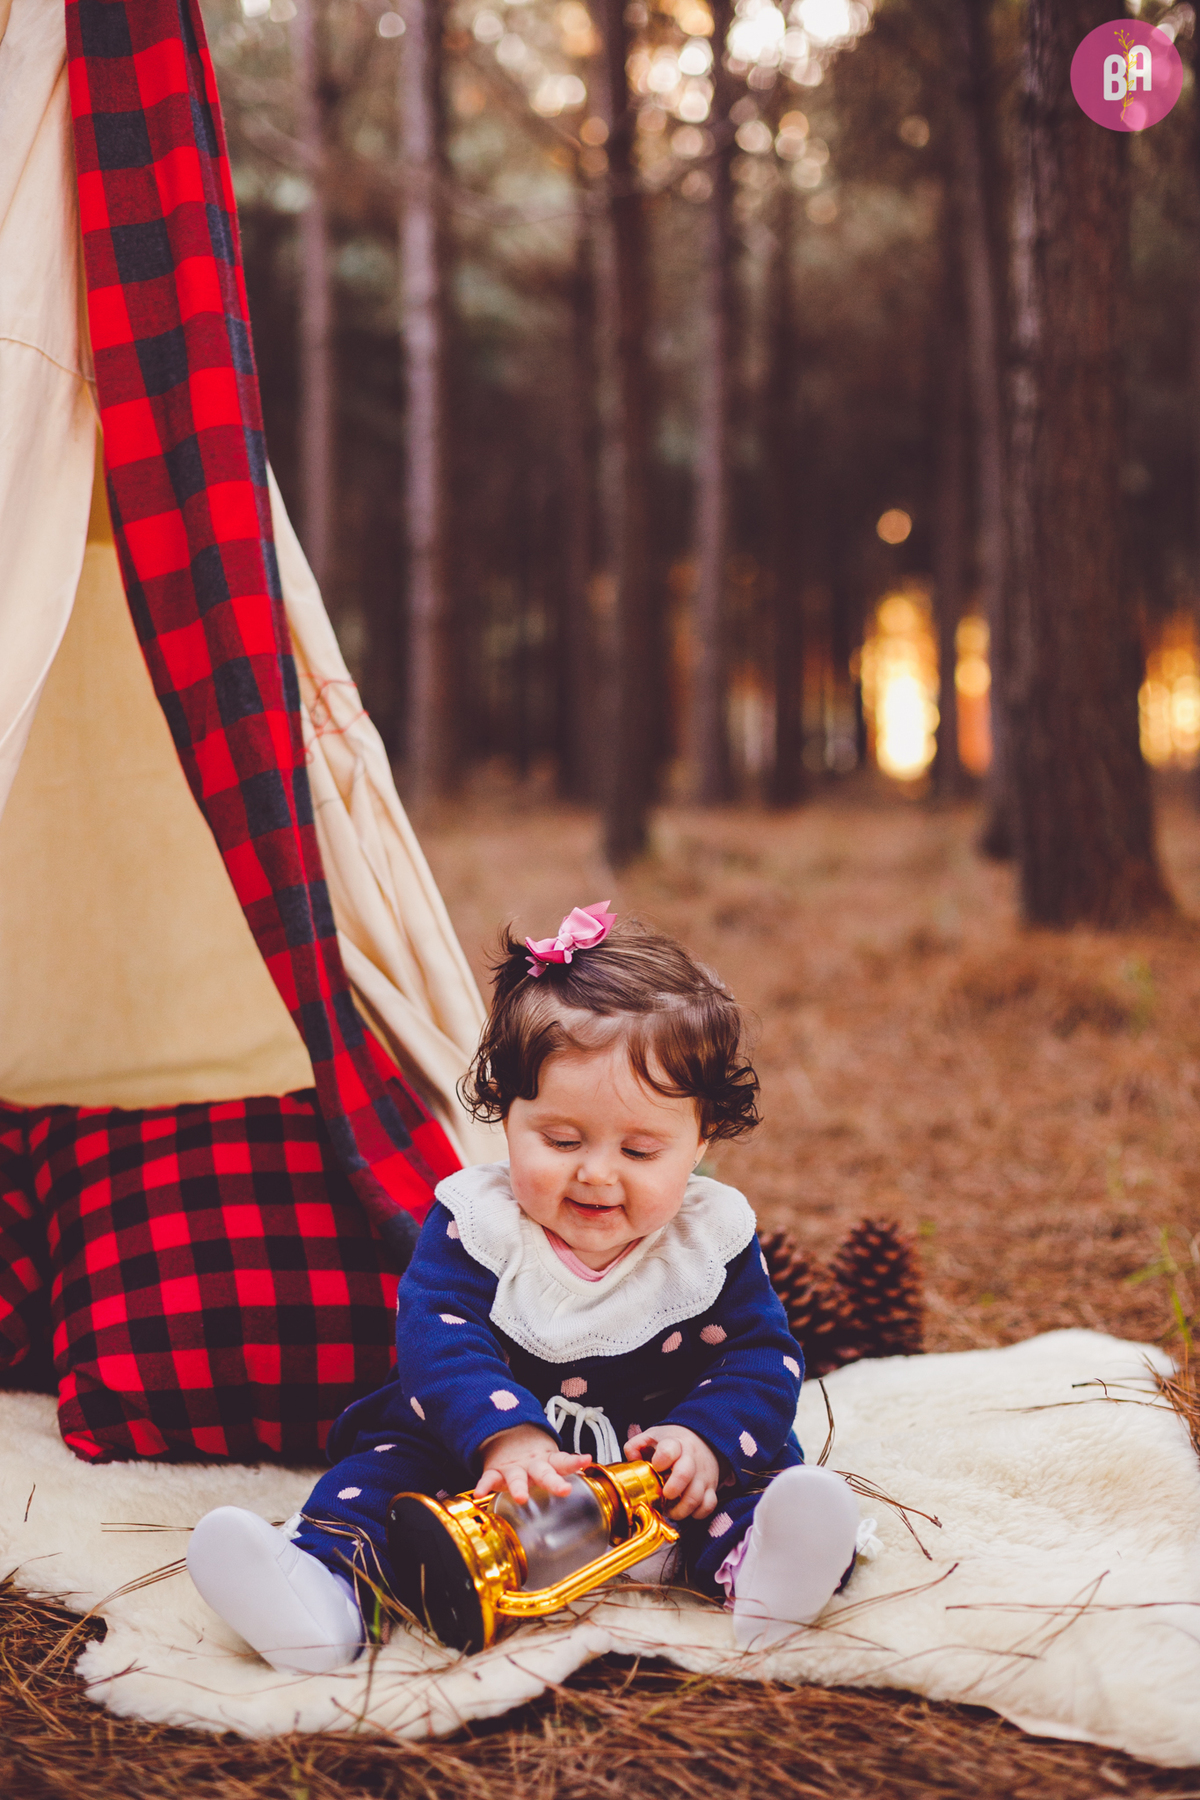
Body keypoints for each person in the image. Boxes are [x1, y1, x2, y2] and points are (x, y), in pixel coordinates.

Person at [187, 903, 863, 1673]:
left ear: (701, 1138)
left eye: (641, 1149)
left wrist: (703, 1439)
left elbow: (760, 1355)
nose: (597, 1173)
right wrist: (506, 1435)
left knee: (740, 1482)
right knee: (382, 1475)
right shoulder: (480, 1223)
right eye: (561, 1139)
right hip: (476, 1455)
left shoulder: (710, 1239)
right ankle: (325, 1595)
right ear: (506, 1115)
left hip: (654, 1458)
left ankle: (767, 1573)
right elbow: (438, 1335)